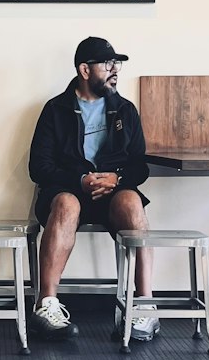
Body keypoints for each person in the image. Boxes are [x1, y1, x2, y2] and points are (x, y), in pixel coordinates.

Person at [28, 37, 156, 342]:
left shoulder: (125, 110)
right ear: (85, 70)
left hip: (111, 193)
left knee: (132, 203)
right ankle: (46, 305)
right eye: (107, 64)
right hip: (67, 191)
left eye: (117, 64)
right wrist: (81, 180)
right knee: (66, 205)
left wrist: (117, 179)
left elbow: (140, 166)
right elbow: (39, 168)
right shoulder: (55, 109)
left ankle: (145, 307)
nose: (115, 70)